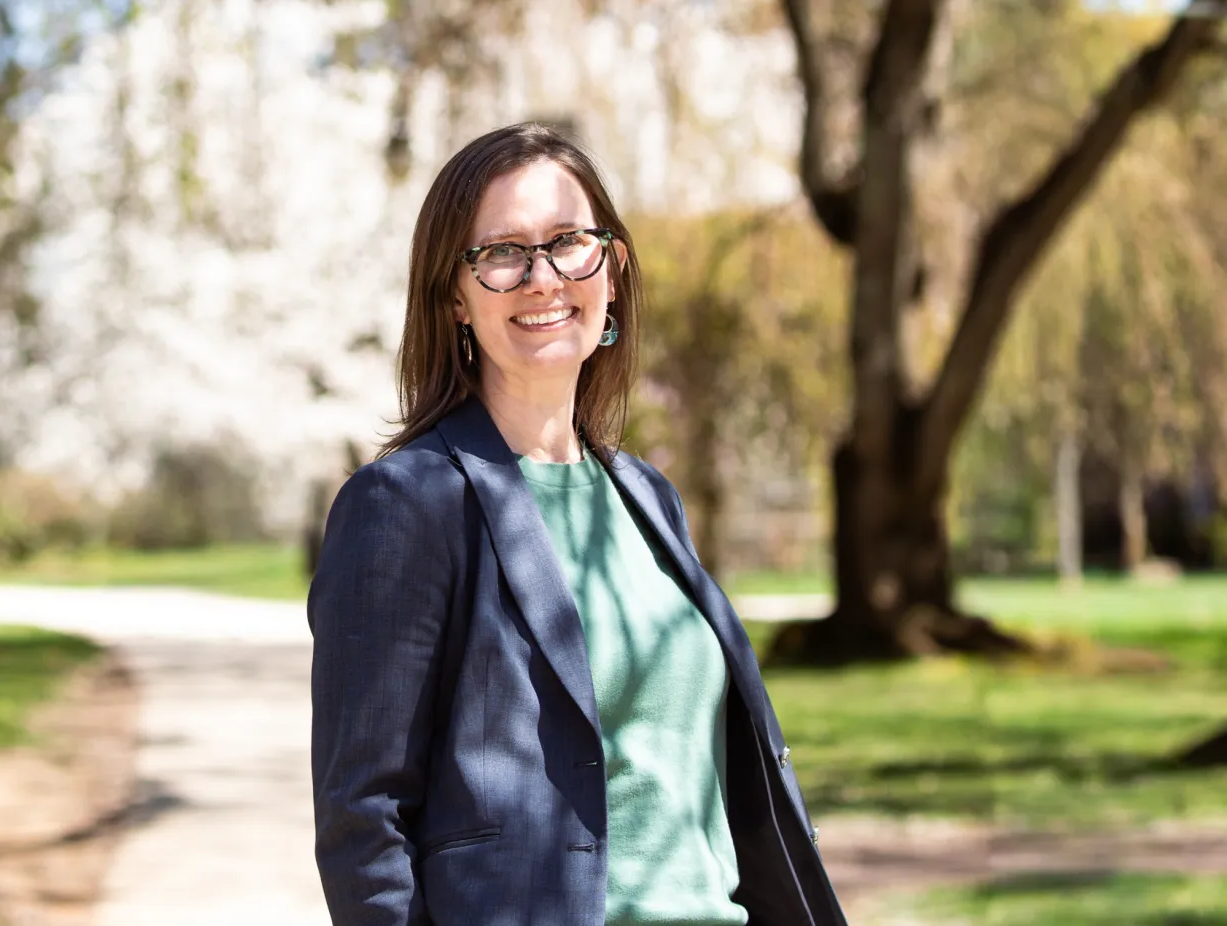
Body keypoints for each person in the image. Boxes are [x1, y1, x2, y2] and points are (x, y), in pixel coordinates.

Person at [308, 122, 847, 926]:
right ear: (454, 295)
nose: (543, 277)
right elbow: (362, 821)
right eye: (502, 253)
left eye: (568, 242)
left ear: (612, 269)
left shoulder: (646, 498)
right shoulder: (406, 505)